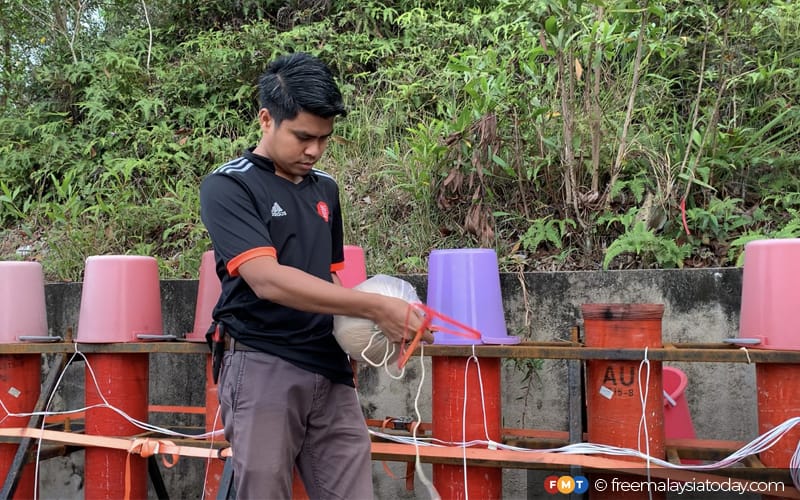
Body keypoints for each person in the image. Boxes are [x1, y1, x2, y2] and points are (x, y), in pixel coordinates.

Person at [199, 52, 432, 499]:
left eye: (324, 139)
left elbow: (325, 278)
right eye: (304, 137)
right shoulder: (230, 186)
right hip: (263, 360)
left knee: (351, 491)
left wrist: (370, 333)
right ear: (266, 120)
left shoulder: (324, 188)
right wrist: (375, 306)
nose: (314, 150)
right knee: (265, 491)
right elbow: (266, 279)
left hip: (329, 366)